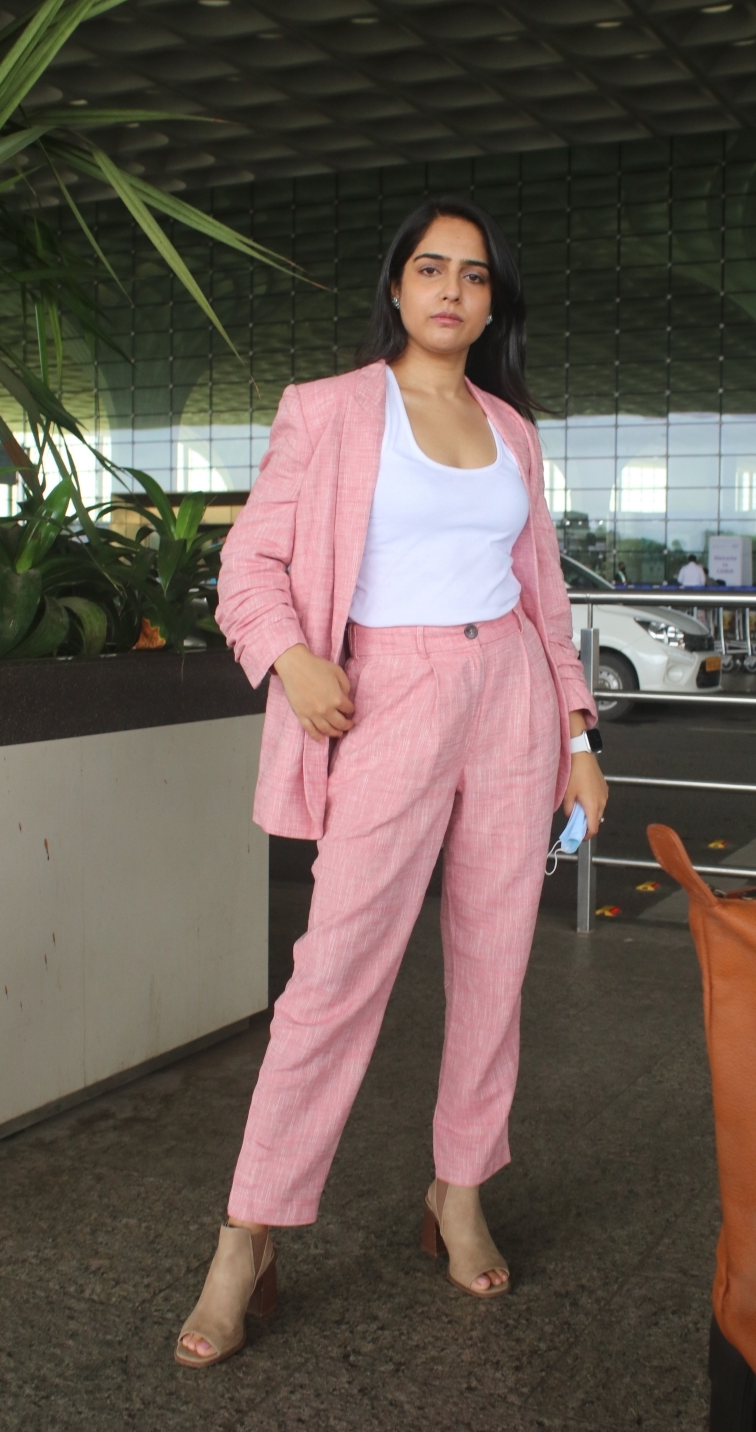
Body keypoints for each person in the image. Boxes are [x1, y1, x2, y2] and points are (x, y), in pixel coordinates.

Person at [175, 199, 607, 1367]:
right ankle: (246, 1235)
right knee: (332, 976)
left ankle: (457, 1190)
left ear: (490, 301)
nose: (451, 291)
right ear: (398, 286)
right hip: (390, 693)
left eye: (473, 275)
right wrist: (292, 655)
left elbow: (545, 597)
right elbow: (247, 562)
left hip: (510, 691)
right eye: (431, 268)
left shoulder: (513, 430)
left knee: (494, 960)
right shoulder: (327, 410)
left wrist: (578, 735)